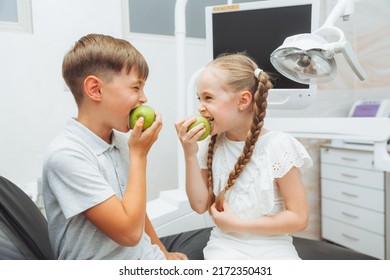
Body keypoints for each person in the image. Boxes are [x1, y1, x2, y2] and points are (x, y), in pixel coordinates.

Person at [42, 33, 210, 260]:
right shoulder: (67, 155)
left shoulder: (117, 141)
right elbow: (129, 233)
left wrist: (162, 251)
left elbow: (136, 211)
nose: (144, 98)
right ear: (95, 89)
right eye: (135, 88)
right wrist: (139, 155)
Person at [175, 53, 313, 259]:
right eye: (199, 98)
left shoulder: (278, 146)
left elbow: (299, 218)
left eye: (208, 98)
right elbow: (199, 205)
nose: (200, 107)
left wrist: (239, 225)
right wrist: (189, 154)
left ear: (243, 101)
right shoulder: (211, 146)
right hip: (225, 247)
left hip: (275, 248)